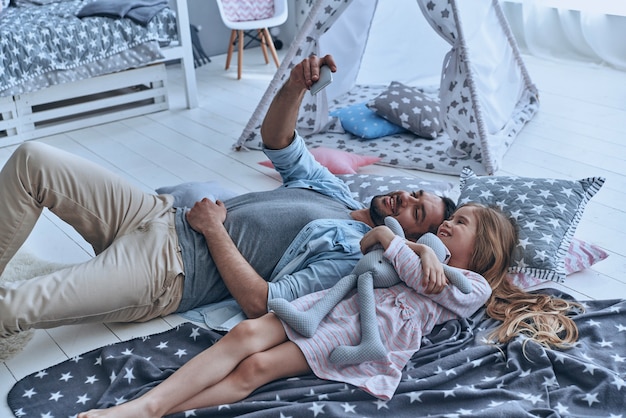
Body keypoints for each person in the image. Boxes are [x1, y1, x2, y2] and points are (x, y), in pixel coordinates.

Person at [0, 54, 456, 337]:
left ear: (415, 236)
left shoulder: (348, 259)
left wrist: (214, 231)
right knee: (33, 159)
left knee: (13, 307)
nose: (404, 199)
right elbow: (278, 142)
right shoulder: (335, 191)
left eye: (417, 212)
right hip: (154, 214)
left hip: (171, 271)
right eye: (414, 192)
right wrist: (295, 86)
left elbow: (263, 302)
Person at [76, 203, 582, 417]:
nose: (449, 223)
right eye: (452, 218)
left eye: (462, 223)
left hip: (360, 330)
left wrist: (413, 245)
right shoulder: (423, 250)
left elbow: (408, 269)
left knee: (256, 368)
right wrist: (399, 239)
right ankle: (141, 408)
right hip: (328, 303)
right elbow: (371, 244)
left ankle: (155, 409)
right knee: (244, 335)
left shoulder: (469, 285)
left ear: (485, 247)